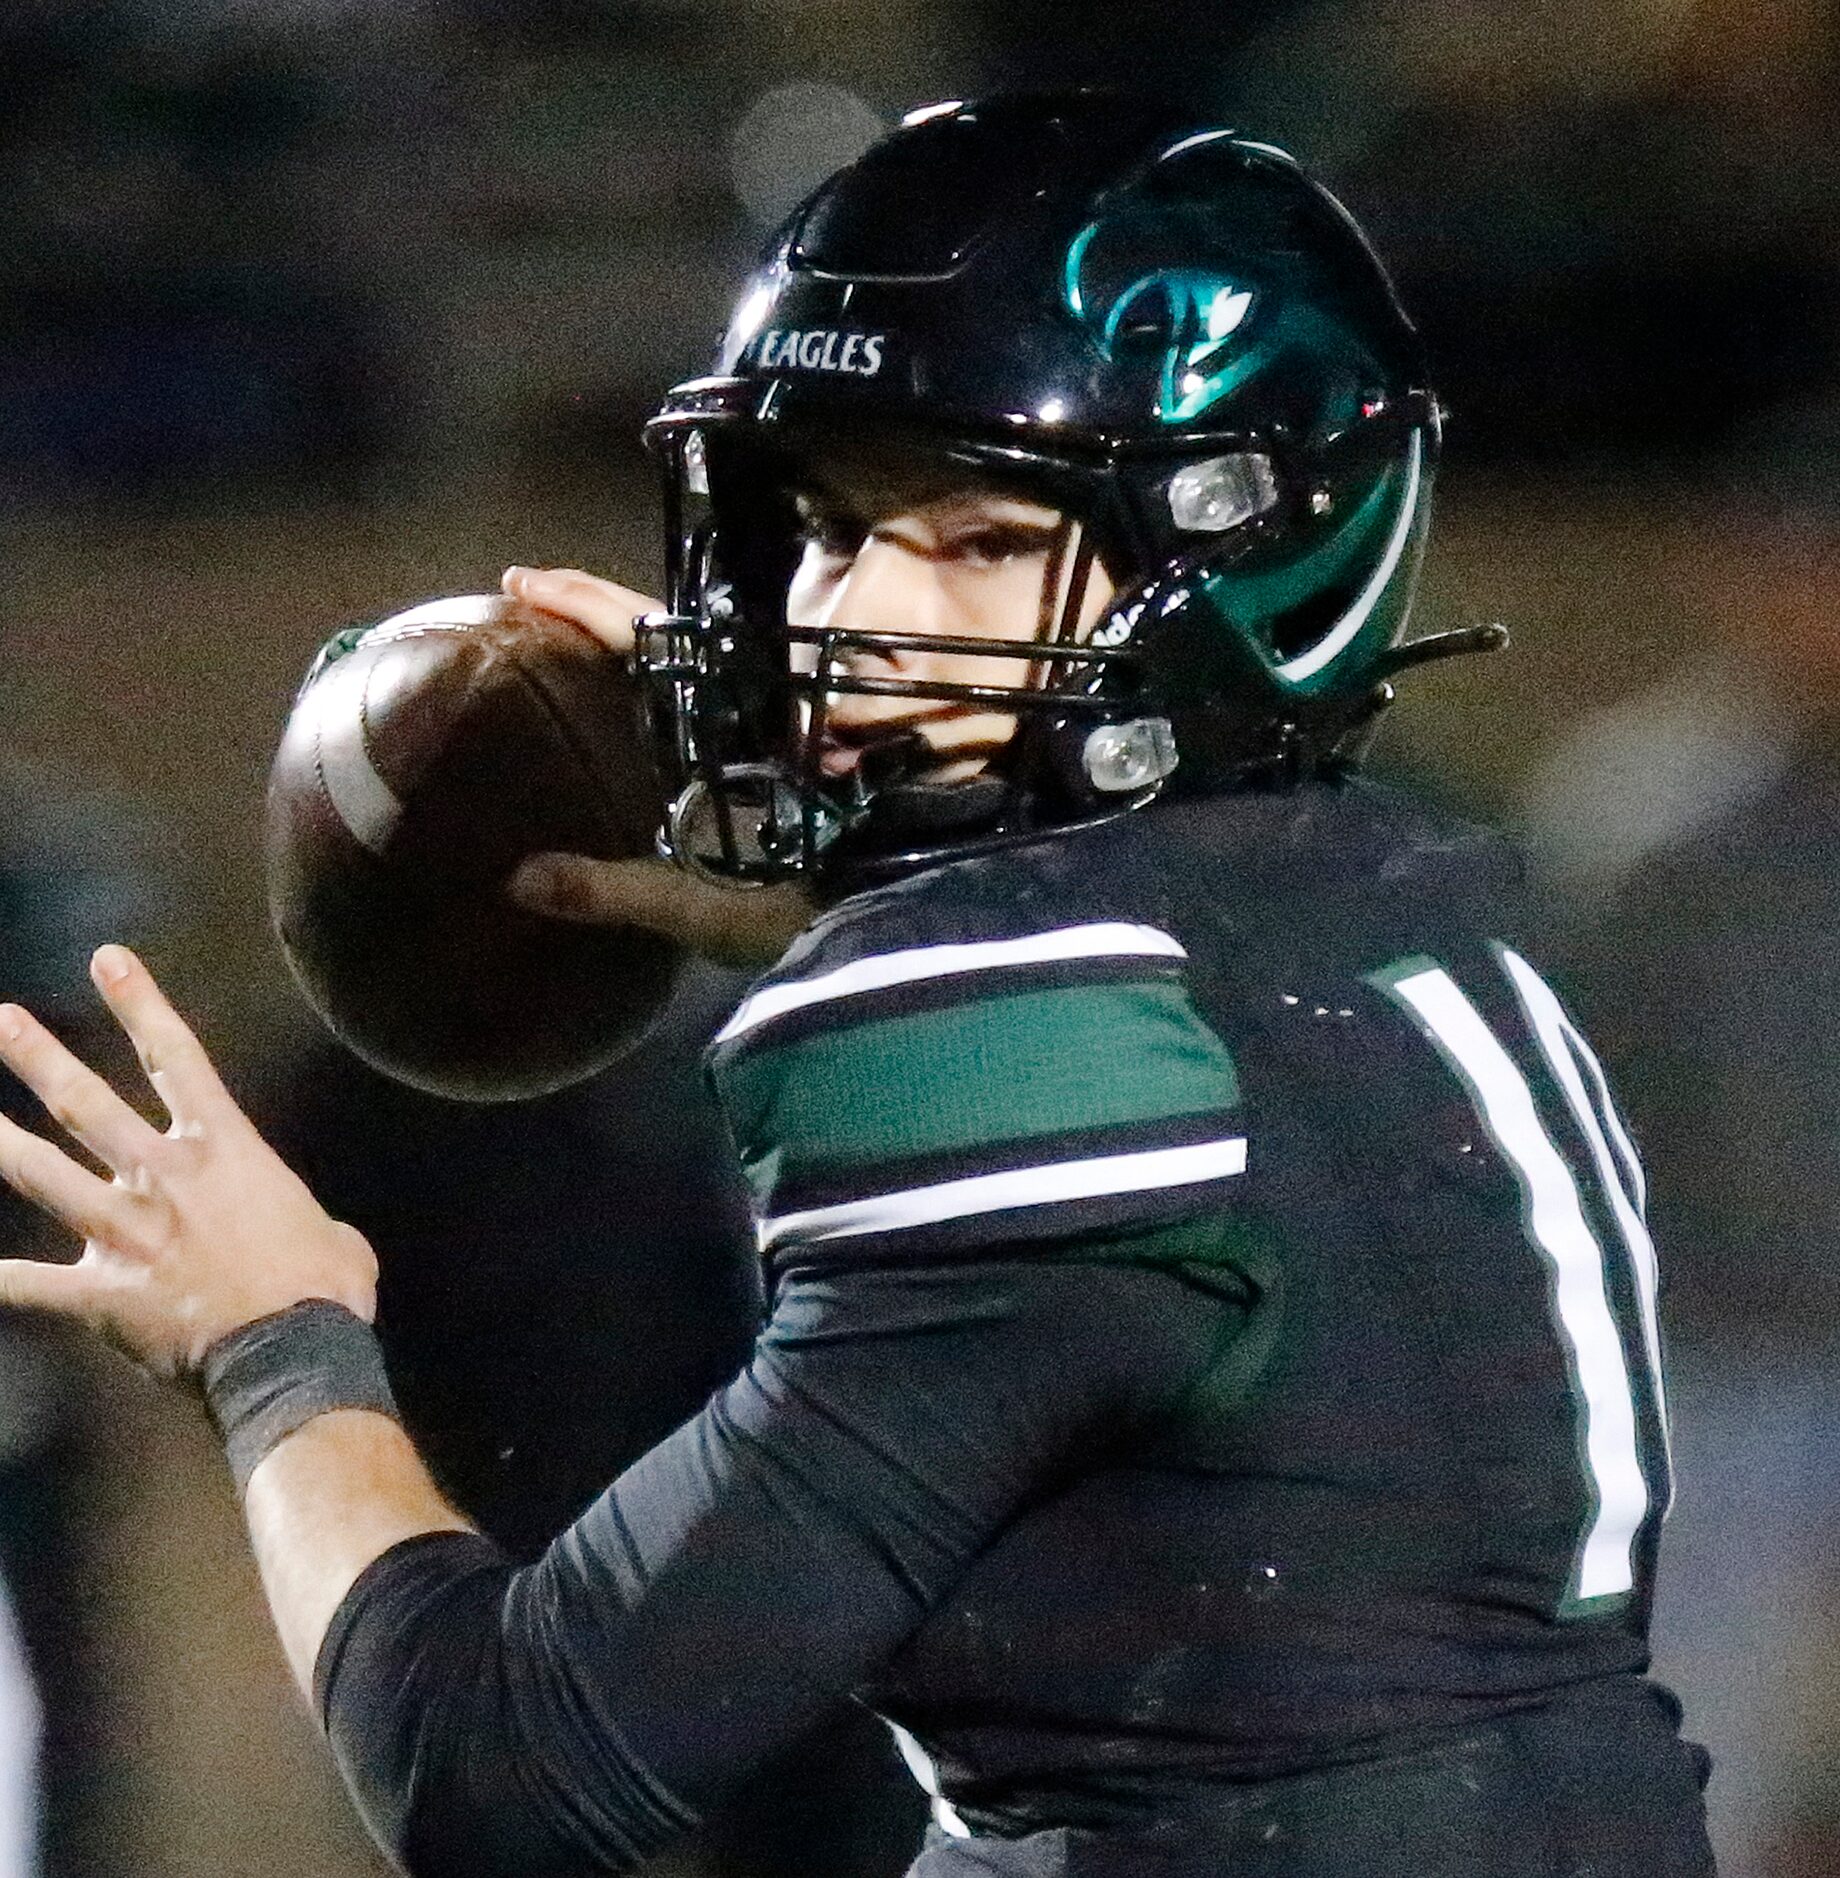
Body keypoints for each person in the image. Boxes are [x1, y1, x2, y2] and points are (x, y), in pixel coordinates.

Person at [0, 96, 1713, 1878]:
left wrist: (271, 1340)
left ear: (1238, 538)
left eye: (974, 539)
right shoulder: (1404, 905)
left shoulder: (1017, 1050)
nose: (857, 614)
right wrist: (887, 906)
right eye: (825, 522)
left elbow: (499, 1769)